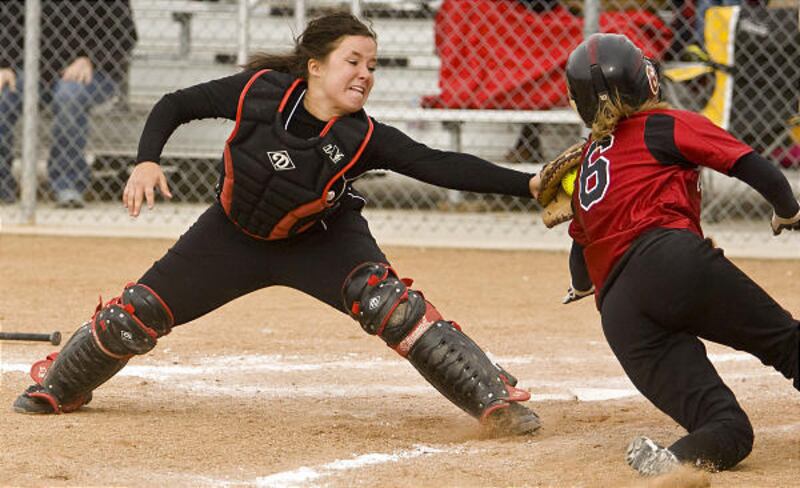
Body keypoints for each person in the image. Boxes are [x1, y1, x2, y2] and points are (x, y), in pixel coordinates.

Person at [12, 13, 542, 436]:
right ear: (314, 66)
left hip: (321, 240)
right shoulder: (260, 92)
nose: (365, 74)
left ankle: (493, 397)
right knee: (135, 315)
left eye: (373, 66)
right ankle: (61, 385)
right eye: (353, 61)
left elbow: (442, 165)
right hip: (229, 235)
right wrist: (147, 159)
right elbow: (177, 104)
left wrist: (529, 185)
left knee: (389, 306)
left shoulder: (363, 136)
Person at [533, 33, 799, 476]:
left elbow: (581, 260)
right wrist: (787, 210)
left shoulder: (587, 170)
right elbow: (750, 164)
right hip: (671, 261)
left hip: (621, 315)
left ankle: (672, 463)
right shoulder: (665, 124)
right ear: (645, 79)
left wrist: (580, 286)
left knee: (726, 427)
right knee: (788, 344)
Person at [0, 0, 137, 207]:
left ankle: (68, 184)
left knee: (69, 95)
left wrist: (90, 59)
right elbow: (6, 21)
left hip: (94, 72)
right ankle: (3, 185)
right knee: (3, 93)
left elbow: (125, 34)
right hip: (33, 72)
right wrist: (5, 64)